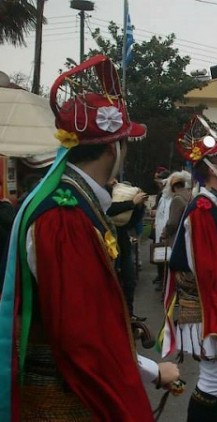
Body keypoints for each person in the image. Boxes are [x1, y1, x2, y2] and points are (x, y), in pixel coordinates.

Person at [0, 55, 179, 420]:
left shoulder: (73, 201)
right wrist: (150, 371)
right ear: (114, 147)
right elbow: (84, 335)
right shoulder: (65, 216)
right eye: (126, 144)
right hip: (63, 395)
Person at [161, 115, 217, 420]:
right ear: (212, 169)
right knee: (213, 378)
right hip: (205, 302)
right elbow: (208, 271)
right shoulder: (203, 209)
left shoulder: (215, 202)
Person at [107, 180, 148, 320]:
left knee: (129, 281)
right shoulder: (104, 196)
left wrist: (139, 207)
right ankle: (119, 317)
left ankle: (129, 315)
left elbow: (131, 222)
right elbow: (109, 210)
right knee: (115, 282)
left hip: (122, 244)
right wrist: (132, 203)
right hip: (110, 243)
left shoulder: (121, 201)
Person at [158, 171, 192, 292]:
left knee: (176, 267)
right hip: (186, 237)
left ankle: (175, 292)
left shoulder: (177, 199)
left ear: (173, 187)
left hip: (177, 237)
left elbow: (173, 222)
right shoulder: (188, 197)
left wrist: (165, 232)